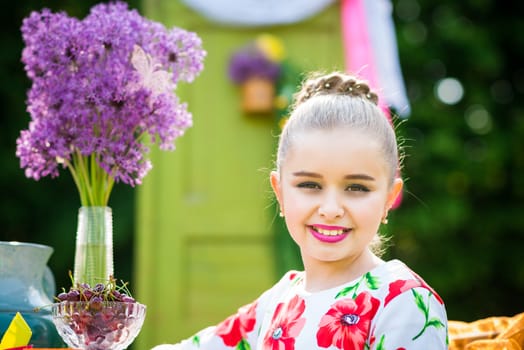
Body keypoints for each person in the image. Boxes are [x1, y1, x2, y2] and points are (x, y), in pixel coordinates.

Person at [152, 71, 448, 349]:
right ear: (279, 192)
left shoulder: (402, 301)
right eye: (310, 185)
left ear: (388, 198)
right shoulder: (276, 303)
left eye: (357, 188)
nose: (331, 209)